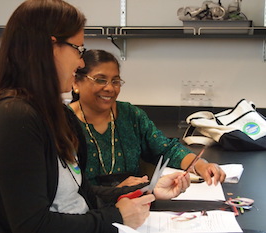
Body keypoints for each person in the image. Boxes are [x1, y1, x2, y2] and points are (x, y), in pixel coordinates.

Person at [0, 1, 190, 233]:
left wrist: (148, 191)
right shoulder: (13, 119)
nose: (81, 62)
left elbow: (81, 193)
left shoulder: (53, 114)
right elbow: (32, 226)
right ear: (49, 48)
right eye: (78, 49)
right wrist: (115, 217)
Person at [69, 49, 226, 187]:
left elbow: (166, 149)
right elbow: (65, 188)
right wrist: (114, 192)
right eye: (100, 80)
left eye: (115, 81)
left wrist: (200, 164)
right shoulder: (63, 122)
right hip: (86, 213)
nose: (110, 88)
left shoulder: (131, 116)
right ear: (76, 82)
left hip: (136, 205)